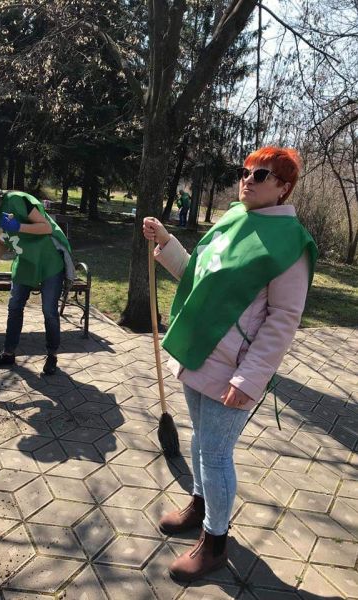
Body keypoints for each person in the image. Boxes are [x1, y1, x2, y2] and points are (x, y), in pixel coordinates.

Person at [143, 147, 317, 582]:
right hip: (200, 351)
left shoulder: (291, 243)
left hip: (233, 369)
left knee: (216, 454)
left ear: (283, 187)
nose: (249, 180)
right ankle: (201, 509)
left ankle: (215, 542)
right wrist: (166, 243)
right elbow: (198, 277)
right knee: (202, 441)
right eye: (245, 172)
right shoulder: (233, 219)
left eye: (262, 175)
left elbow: (283, 320)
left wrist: (249, 378)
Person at [0, 169, 73, 375]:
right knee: (14, 306)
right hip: (25, 263)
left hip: (48, 262)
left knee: (49, 311)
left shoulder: (17, 200)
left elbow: (45, 227)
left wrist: (17, 225)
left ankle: (52, 355)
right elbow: (2, 244)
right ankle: (8, 354)